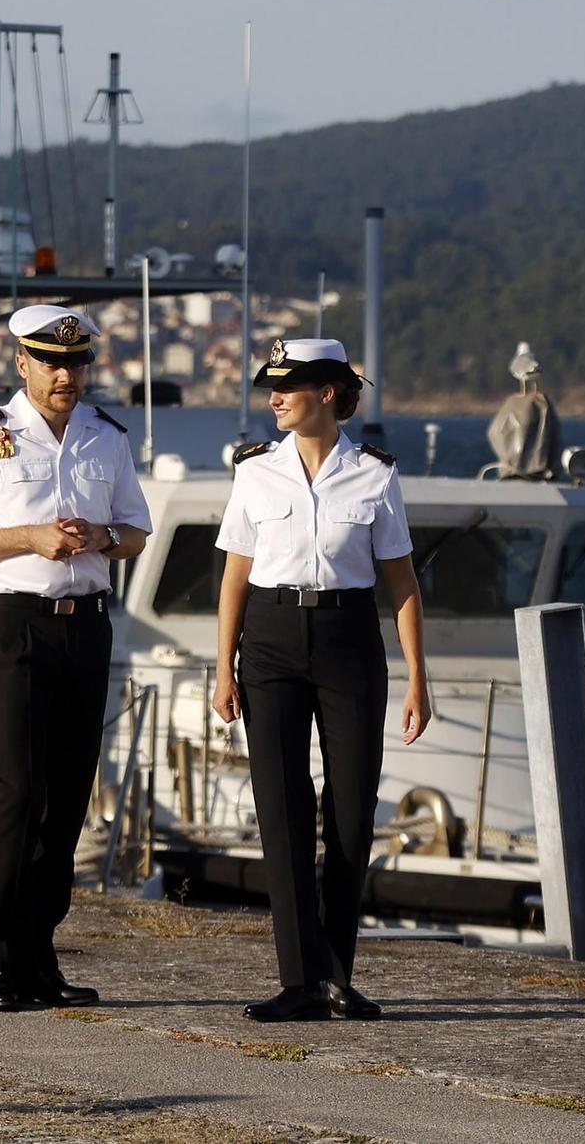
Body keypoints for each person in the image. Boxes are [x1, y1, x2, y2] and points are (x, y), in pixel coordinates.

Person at [0, 304, 152, 1012]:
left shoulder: (106, 437)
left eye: (76, 362)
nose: (65, 375)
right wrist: (28, 536)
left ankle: (38, 955)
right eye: (51, 362)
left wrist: (101, 537)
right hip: (15, 623)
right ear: (22, 362)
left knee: (68, 795)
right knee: (16, 792)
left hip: (86, 625)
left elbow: (136, 532)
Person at [210, 338, 431, 1022]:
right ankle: (299, 980)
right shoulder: (255, 473)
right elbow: (235, 576)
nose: (274, 397)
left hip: (348, 640)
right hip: (270, 641)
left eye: (289, 386)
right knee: (281, 811)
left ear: (328, 392)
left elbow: (402, 583)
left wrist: (418, 677)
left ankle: (337, 976)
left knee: (351, 812)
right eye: (271, 387)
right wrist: (223, 666)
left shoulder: (374, 476)